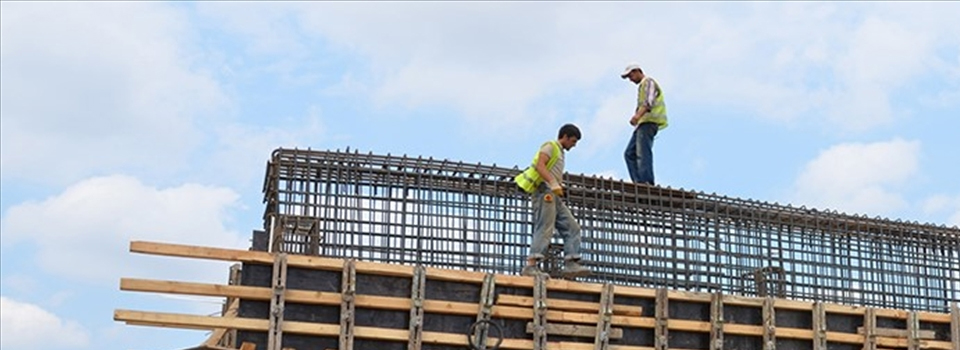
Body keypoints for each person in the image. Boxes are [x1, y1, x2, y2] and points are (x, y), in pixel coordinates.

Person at [513, 124, 592, 278]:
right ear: (565, 136)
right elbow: (539, 165)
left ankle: (571, 263)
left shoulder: (561, 152)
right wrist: (553, 182)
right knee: (545, 227)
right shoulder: (551, 146)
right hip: (544, 191)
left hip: (553, 194)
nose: (574, 145)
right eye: (573, 141)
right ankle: (531, 266)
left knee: (572, 227)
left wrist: (558, 185)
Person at [621, 63, 668, 185]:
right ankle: (639, 182)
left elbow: (648, 103)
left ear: (637, 71)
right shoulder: (642, 86)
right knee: (629, 154)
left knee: (643, 152)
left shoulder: (648, 82)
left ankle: (646, 181)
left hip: (649, 122)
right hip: (642, 124)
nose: (630, 79)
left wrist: (637, 116)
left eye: (631, 76)